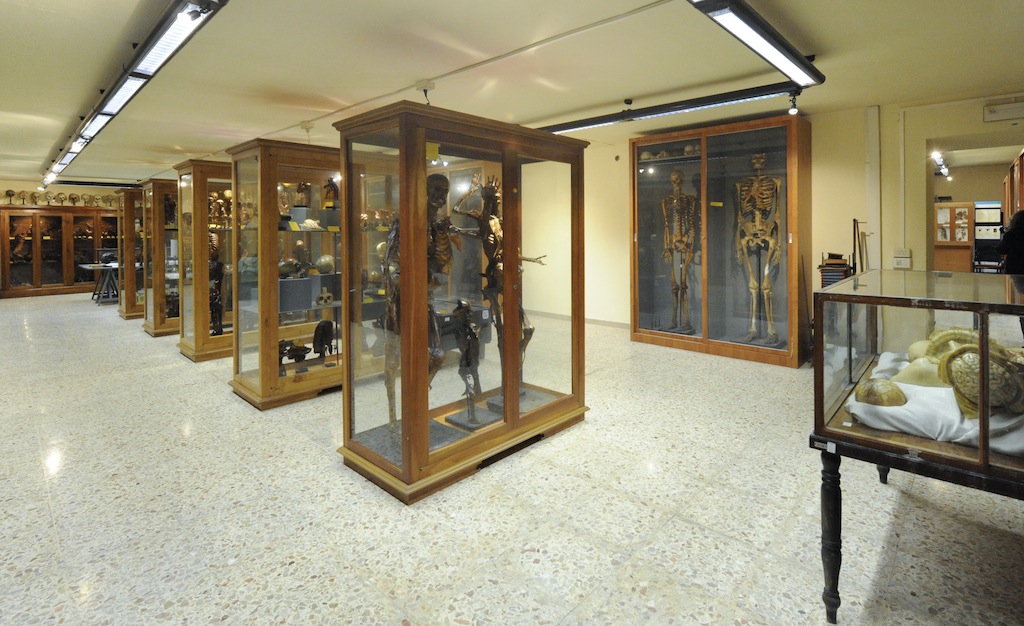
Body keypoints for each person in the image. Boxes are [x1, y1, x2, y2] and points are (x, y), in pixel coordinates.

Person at [996, 210, 1024, 341]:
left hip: (1016, 273)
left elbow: (1001, 249)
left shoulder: (1012, 234)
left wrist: (1005, 234)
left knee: (1021, 305)